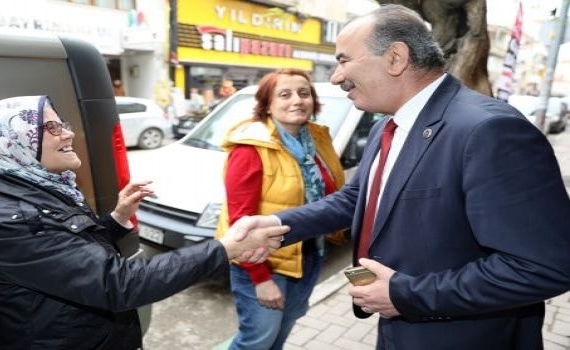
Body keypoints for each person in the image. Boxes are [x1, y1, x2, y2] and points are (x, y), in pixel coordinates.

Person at [227, 5, 570, 350]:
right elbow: (357, 197)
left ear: (395, 58)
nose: (335, 77)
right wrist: (275, 224)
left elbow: (543, 267)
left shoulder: (488, 130)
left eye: (344, 60)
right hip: (397, 327)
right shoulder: (385, 127)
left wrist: (405, 294)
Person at [0, 95, 288, 349]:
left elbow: (70, 256)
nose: (67, 133)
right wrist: (225, 248)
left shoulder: (39, 189)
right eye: (51, 127)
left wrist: (115, 219)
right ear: (13, 140)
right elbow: (118, 284)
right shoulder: (2, 218)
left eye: (63, 123)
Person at [215, 69, 345, 349]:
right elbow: (240, 224)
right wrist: (261, 279)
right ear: (267, 104)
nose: (296, 100)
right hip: (265, 263)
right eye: (284, 95)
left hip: (309, 256)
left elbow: (332, 195)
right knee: (256, 341)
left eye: (304, 93)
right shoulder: (250, 148)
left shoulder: (317, 140)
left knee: (280, 335)